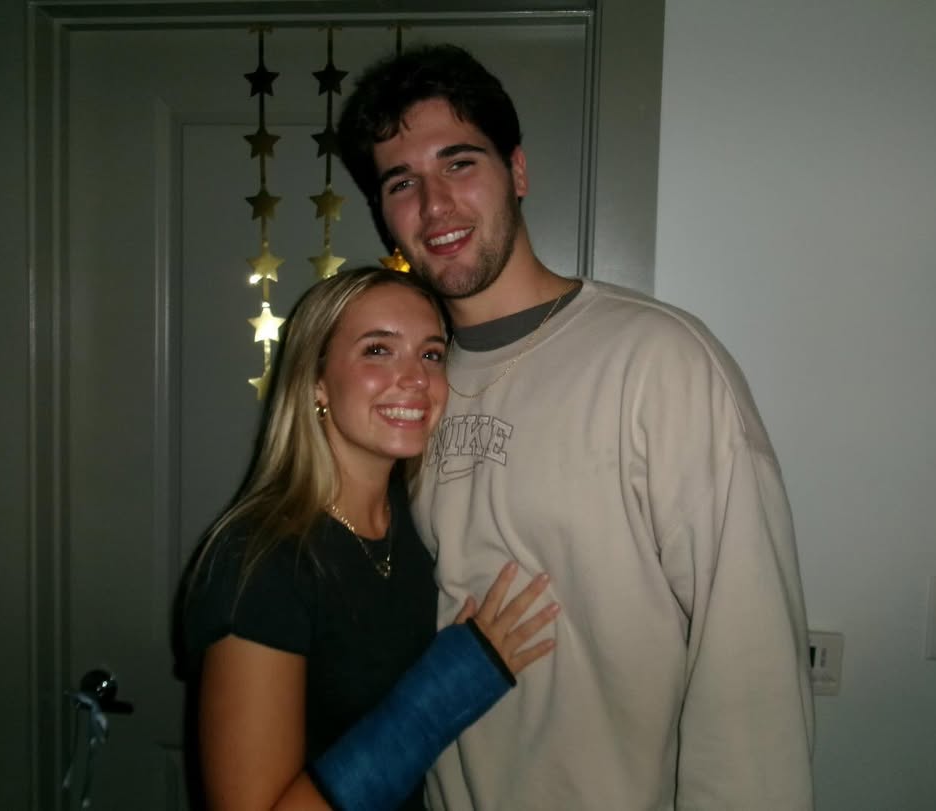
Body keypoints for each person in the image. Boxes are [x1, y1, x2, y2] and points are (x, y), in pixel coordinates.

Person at [337, 45, 815, 810]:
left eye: (460, 163)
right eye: (402, 182)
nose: (434, 205)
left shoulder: (656, 361)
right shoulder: (411, 394)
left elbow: (750, 660)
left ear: (517, 172)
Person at [182, 266, 558, 811]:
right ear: (317, 380)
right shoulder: (258, 560)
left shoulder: (420, 522)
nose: (416, 378)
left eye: (431, 354)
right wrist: (448, 690)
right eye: (378, 350)